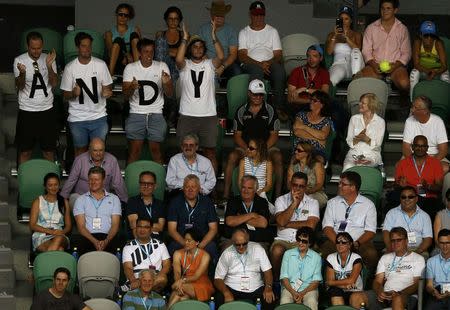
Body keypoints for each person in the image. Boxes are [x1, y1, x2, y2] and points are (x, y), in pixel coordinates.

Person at [175, 21, 224, 173]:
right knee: (185, 152)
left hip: (208, 116)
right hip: (187, 115)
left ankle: (212, 188)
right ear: (190, 49)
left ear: (204, 49)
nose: (197, 49)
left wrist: (214, 36)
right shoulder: (186, 65)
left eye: (200, 46)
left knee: (210, 152)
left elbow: (221, 56)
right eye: (194, 46)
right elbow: (178, 60)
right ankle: (184, 185)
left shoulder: (210, 64)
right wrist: (184, 38)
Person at [223, 78, 282, 201]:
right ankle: (226, 195)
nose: (258, 97)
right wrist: (249, 149)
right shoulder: (241, 110)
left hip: (266, 147)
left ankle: (277, 197)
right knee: (232, 157)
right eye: (255, 94)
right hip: (245, 147)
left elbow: (274, 135)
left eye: (261, 94)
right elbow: (237, 135)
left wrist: (261, 150)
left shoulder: (271, 110)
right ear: (249, 93)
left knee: (278, 157)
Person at [60, 31, 113, 157]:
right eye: (83, 46)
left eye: (89, 45)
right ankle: (82, 176)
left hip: (98, 117)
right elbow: (65, 95)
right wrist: (73, 93)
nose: (87, 49)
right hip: (78, 118)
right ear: (77, 47)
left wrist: (107, 92)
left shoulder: (100, 65)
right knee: (80, 152)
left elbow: (108, 87)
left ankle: (98, 177)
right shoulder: (70, 67)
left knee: (99, 153)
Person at [122, 37, 174, 164]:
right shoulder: (130, 68)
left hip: (156, 113)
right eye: (146, 51)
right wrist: (132, 87)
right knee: (135, 150)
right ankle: (129, 181)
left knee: (156, 150)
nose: (149, 54)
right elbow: (125, 95)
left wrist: (167, 83)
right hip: (136, 112)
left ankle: (159, 181)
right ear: (139, 53)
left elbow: (170, 93)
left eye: (152, 51)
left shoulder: (162, 66)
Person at [350, 227, 425, 310]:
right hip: (385, 294)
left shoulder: (418, 259)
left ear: (406, 241)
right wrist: (379, 291)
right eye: (393, 240)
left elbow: (416, 284)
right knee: (355, 297)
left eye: (399, 240)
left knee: (397, 299)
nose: (395, 243)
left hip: (405, 295)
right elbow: (377, 281)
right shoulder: (385, 258)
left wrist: (399, 293)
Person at [14, 31, 58, 164]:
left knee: (49, 151)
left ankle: (52, 183)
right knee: (25, 151)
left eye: (39, 48)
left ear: (42, 45)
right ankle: (24, 182)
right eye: (33, 48)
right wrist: (22, 73)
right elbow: (20, 87)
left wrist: (50, 66)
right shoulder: (19, 60)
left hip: (47, 110)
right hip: (27, 111)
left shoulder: (48, 58)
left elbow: (54, 83)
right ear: (27, 46)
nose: (36, 51)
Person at [322, 171, 378, 271]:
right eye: (339, 183)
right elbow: (327, 228)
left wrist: (356, 243)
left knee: (371, 254)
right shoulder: (332, 203)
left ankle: (365, 279)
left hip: (359, 242)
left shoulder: (368, 205)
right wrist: (339, 242)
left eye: (343, 184)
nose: (339, 186)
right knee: (324, 251)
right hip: (336, 240)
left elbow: (370, 231)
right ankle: (328, 280)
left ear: (353, 187)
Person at [238, 1, 286, 112]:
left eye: (261, 14)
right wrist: (260, 64)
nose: (259, 17)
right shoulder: (244, 32)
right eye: (256, 14)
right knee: (257, 70)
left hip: (270, 63)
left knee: (279, 71)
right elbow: (242, 56)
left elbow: (278, 55)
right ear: (250, 15)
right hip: (250, 64)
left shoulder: (272, 31)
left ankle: (278, 108)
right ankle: (254, 108)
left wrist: (267, 63)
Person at [271, 172, 320, 281]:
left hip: (304, 240)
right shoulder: (281, 200)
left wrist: (287, 224)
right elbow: (280, 220)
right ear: (290, 184)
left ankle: (305, 283)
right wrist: (294, 203)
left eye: (301, 186)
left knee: (312, 253)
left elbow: (311, 225)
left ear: (306, 187)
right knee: (277, 251)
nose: (297, 188)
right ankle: (276, 281)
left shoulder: (313, 202)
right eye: (295, 185)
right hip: (283, 240)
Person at [214, 228, 275, 309]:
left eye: (244, 244)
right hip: (232, 287)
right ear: (232, 242)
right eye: (238, 245)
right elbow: (217, 279)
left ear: (248, 240)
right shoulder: (227, 253)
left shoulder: (258, 249)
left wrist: (268, 288)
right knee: (219, 299)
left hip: (255, 287)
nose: (241, 247)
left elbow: (268, 271)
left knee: (270, 300)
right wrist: (226, 293)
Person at [359, 0, 411, 94]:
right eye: (382, 8)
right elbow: (366, 51)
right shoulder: (371, 28)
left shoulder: (402, 29)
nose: (385, 11)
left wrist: (395, 65)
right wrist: (374, 65)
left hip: (395, 66)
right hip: (375, 66)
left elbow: (406, 53)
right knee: (359, 81)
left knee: (405, 84)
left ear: (395, 10)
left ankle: (403, 105)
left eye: (388, 8)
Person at [60, 138, 128, 207]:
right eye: (95, 150)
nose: (98, 153)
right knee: (75, 198)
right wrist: (61, 200)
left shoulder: (112, 160)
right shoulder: (80, 160)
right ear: (89, 149)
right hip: (81, 197)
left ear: (104, 149)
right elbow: (71, 181)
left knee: (113, 201)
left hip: (103, 198)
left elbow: (118, 183)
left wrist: (125, 202)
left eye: (101, 150)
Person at [72, 166, 122, 255]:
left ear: (103, 181)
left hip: (108, 237)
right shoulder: (80, 200)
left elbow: (115, 225)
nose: (93, 182)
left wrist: (106, 241)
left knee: (116, 242)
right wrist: (95, 241)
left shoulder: (114, 199)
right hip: (88, 237)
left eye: (96, 179)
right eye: (91, 179)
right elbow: (81, 227)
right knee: (80, 242)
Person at [167, 175, 218, 260]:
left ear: (199, 188)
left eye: (193, 187)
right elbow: (172, 230)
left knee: (211, 248)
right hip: (181, 240)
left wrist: (200, 246)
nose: (190, 190)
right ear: (183, 188)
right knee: (172, 248)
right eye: (187, 187)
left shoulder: (207, 202)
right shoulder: (175, 202)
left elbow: (213, 229)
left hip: (202, 241)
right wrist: (187, 244)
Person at [394, 135, 444, 219]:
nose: (420, 149)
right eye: (417, 146)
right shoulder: (402, 163)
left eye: (423, 146)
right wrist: (401, 186)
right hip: (408, 198)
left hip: (428, 199)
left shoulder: (435, 163)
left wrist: (428, 186)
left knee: (435, 207)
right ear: (412, 147)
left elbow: (439, 187)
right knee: (394, 198)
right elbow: (396, 185)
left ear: (427, 148)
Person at [168, 229, 214, 308]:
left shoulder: (205, 255)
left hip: (201, 284)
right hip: (183, 282)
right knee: (182, 298)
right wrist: (178, 281)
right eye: (185, 240)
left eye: (189, 241)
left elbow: (196, 276)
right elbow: (177, 272)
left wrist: (180, 283)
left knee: (177, 291)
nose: (186, 243)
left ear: (197, 242)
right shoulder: (178, 253)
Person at [198, 0, 241, 85]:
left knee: (237, 71)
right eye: (217, 15)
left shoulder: (230, 30)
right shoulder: (203, 29)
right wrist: (211, 65)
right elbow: (200, 51)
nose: (219, 18)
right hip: (207, 61)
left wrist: (222, 67)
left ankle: (234, 97)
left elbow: (233, 54)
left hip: (226, 63)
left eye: (222, 15)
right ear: (211, 15)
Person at [122, 218, 170, 293]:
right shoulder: (128, 246)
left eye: (146, 227)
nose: (142, 230)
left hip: (155, 278)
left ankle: (130, 288)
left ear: (151, 229)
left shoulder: (160, 244)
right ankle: (138, 287)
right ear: (136, 228)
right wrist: (133, 281)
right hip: (137, 277)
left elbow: (167, 264)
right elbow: (127, 268)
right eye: (139, 227)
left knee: (163, 278)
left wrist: (157, 277)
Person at [383, 186, 433, 257]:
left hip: (418, 249)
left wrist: (417, 252)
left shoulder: (425, 216)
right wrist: (390, 248)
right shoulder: (391, 213)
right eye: (403, 197)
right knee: (385, 262)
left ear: (416, 199)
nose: (407, 199)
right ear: (400, 199)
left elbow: (428, 239)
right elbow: (386, 233)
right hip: (395, 248)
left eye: (410, 197)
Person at [280, 227, 322, 309]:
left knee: (311, 301)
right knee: (284, 301)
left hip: (309, 289)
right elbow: (284, 277)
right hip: (290, 288)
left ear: (310, 243)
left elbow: (316, 281)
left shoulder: (316, 257)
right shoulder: (287, 254)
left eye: (304, 241)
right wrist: (293, 292)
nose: (300, 243)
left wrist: (302, 293)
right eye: (298, 239)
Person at [155, 6, 183, 128]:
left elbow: (184, 54)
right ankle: (170, 111)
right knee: (161, 41)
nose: (173, 21)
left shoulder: (184, 35)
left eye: (176, 19)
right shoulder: (160, 34)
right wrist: (175, 51)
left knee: (175, 74)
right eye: (170, 19)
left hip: (178, 66)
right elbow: (159, 53)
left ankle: (171, 111)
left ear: (179, 20)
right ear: (166, 20)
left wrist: (171, 51)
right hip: (163, 65)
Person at [224, 175, 272, 247]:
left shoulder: (262, 202)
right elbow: (230, 221)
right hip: (234, 239)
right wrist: (251, 215)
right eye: (243, 187)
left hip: (257, 240)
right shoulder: (233, 201)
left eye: (249, 188)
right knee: (226, 249)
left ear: (255, 189)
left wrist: (239, 218)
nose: (246, 191)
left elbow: (263, 223)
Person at [343, 93, 385, 171]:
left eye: (363, 103)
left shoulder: (380, 122)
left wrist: (366, 139)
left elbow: (378, 144)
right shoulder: (354, 119)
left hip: (372, 154)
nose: (360, 104)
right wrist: (358, 138)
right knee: (348, 167)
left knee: (364, 167)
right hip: (354, 153)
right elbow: (349, 140)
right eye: (360, 102)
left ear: (371, 105)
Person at [30, 173, 71, 252]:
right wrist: (50, 232)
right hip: (41, 235)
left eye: (56, 185)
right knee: (60, 250)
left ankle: (46, 261)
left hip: (60, 234)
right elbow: (32, 225)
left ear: (59, 185)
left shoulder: (64, 201)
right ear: (45, 186)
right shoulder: (38, 201)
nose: (53, 187)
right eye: (50, 185)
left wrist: (61, 232)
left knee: (58, 238)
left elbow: (68, 226)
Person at [402, 96, 448, 166]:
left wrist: (429, 163)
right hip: (413, 156)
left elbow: (443, 150)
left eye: (416, 108)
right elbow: (406, 147)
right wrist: (415, 161)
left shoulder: (438, 121)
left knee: (445, 167)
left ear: (426, 111)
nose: (412, 110)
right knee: (399, 166)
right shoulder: (409, 121)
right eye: (412, 107)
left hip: (434, 156)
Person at [325, 5, 364, 86]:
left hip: (354, 66)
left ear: (351, 21)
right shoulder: (331, 35)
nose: (343, 21)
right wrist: (335, 36)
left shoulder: (356, 35)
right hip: (339, 64)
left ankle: (355, 80)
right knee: (333, 79)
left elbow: (358, 50)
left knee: (355, 51)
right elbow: (329, 52)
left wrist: (346, 38)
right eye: (341, 19)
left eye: (346, 19)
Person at [410, 20, 449, 100]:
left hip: (438, 70)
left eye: (432, 36)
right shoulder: (417, 43)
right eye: (426, 35)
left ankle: (446, 102)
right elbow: (416, 64)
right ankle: (412, 101)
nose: (429, 38)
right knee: (413, 75)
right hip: (423, 69)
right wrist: (428, 71)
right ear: (421, 35)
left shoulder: (438, 43)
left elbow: (444, 66)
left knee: (446, 78)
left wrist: (435, 72)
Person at [287, 45, 331, 116]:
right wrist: (311, 101)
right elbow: (290, 99)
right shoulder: (296, 71)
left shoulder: (324, 73)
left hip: (318, 108)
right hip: (300, 107)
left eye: (315, 56)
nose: (311, 59)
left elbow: (324, 95)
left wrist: (304, 89)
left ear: (321, 58)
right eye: (309, 56)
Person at [292, 90, 333, 163]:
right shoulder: (301, 115)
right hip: (301, 148)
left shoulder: (326, 120)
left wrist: (304, 127)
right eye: (311, 99)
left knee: (318, 161)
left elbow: (323, 136)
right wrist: (318, 139)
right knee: (295, 160)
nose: (311, 102)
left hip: (316, 150)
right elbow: (297, 131)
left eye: (314, 100)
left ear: (322, 105)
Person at [325, 232, 364, 307]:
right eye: (338, 242)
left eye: (343, 242)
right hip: (337, 290)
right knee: (335, 292)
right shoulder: (331, 257)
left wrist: (333, 283)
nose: (340, 244)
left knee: (356, 297)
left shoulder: (356, 258)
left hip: (355, 290)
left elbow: (351, 280)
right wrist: (344, 286)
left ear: (350, 245)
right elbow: (329, 282)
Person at [287, 142, 328, 209]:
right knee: (284, 201)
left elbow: (319, 185)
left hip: (315, 193)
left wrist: (305, 193)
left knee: (306, 201)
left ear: (307, 153)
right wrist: (295, 192)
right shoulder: (293, 165)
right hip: (295, 192)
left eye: (299, 150)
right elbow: (289, 182)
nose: (296, 152)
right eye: (295, 149)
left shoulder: (317, 165)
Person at [104, 3, 141, 77]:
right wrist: (126, 55)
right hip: (118, 61)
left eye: (126, 15)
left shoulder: (135, 29)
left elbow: (141, 49)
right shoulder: (109, 33)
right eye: (121, 14)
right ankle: (110, 75)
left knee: (134, 35)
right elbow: (110, 53)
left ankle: (139, 71)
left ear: (129, 18)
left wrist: (130, 56)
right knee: (118, 40)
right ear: (116, 15)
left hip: (133, 60)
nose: (123, 17)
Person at [126, 171, 165, 239]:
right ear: (139, 185)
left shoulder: (160, 204)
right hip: (137, 241)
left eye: (149, 184)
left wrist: (142, 226)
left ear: (155, 186)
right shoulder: (132, 201)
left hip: (157, 241)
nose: (146, 186)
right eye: (143, 183)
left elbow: (160, 227)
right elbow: (134, 226)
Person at [238, 138, 273, 207]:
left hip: (260, 193)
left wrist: (258, 192)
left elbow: (269, 185)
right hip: (245, 192)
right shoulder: (243, 161)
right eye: (248, 147)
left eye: (251, 148)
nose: (247, 150)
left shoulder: (268, 163)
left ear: (259, 150)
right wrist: (246, 191)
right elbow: (240, 182)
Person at [425, 229, 450, 310]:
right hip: (437, 291)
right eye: (442, 243)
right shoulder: (431, 261)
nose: (445, 246)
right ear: (438, 244)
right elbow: (429, 285)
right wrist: (433, 292)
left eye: (447, 243)